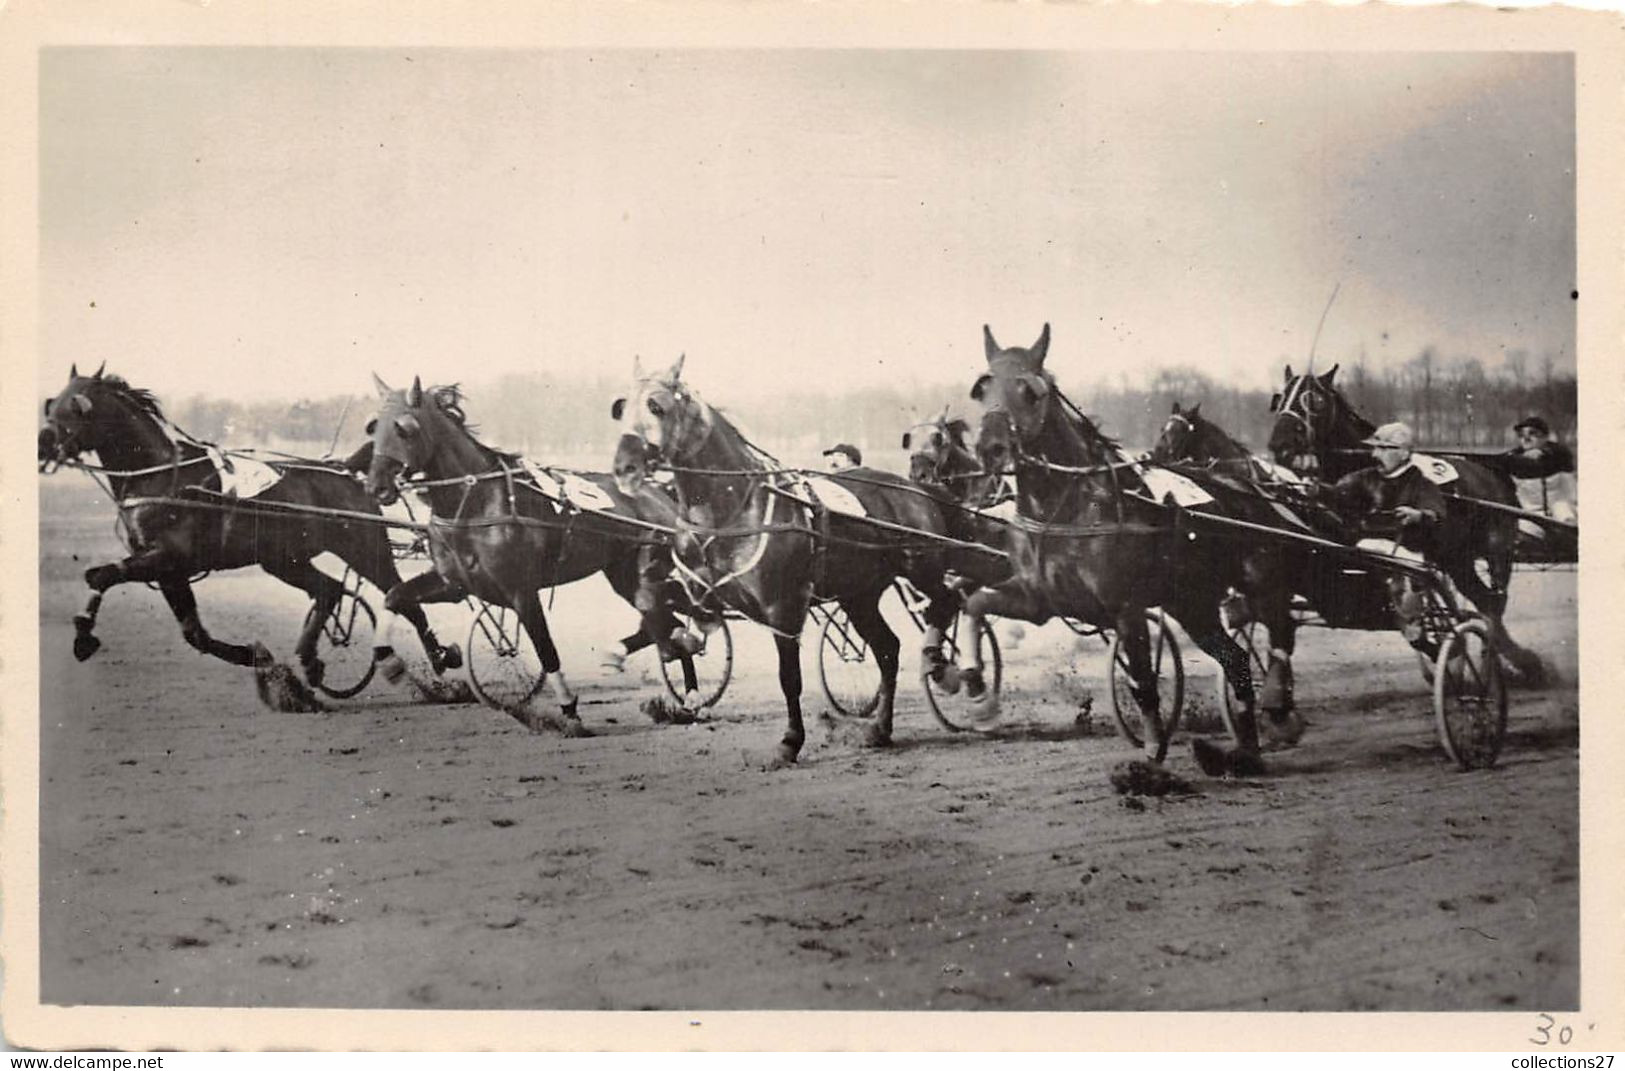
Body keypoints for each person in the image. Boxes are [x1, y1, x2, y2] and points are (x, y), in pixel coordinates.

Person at [1326, 422, 1448, 642]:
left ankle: (1412, 619)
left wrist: (1418, 515)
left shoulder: (1420, 483)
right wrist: (1315, 489)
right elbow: (1338, 491)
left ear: (1403, 453)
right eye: (1375, 448)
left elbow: (1435, 512)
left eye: (1383, 449)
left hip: (1406, 548)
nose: (1375, 454)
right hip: (1369, 545)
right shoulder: (1365, 478)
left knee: (1410, 575)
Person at [1502, 416, 1577, 530]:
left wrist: (1543, 453)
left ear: (1545, 437)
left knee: (1566, 519)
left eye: (1533, 433)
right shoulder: (1513, 459)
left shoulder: (1559, 455)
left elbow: (1571, 491)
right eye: (1521, 435)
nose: (1526, 438)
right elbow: (1494, 460)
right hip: (1530, 512)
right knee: (1525, 532)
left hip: (1561, 508)